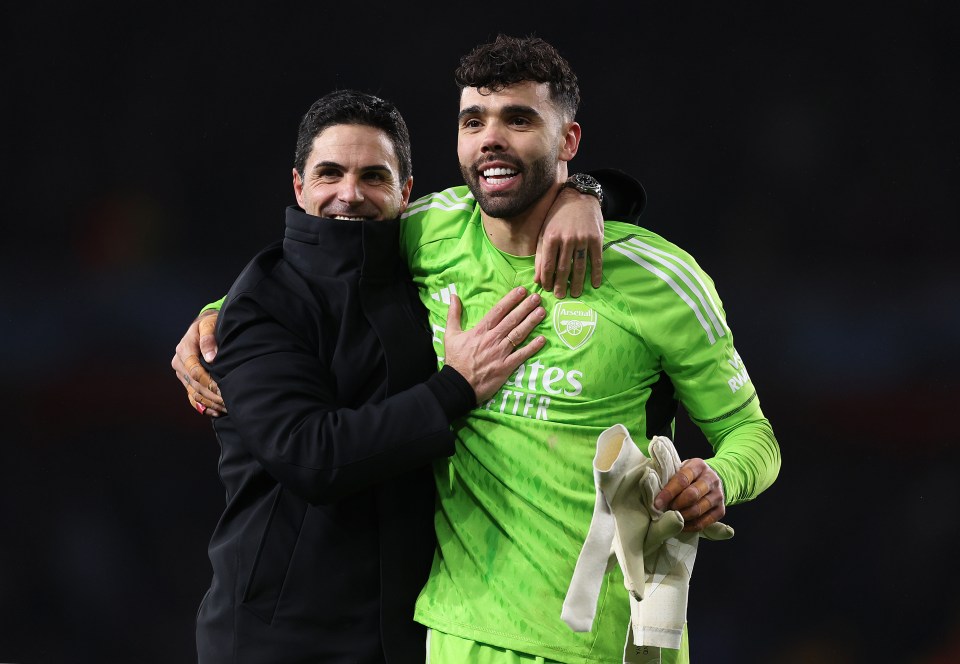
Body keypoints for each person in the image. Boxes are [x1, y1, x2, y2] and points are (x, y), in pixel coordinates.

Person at [177, 35, 780, 664]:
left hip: (615, 639)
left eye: (518, 120)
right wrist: (217, 315)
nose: (491, 138)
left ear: (568, 142)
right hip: (460, 636)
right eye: (474, 121)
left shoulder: (660, 279)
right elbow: (322, 254)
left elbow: (752, 435)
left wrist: (720, 476)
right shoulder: (429, 234)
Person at [191, 89, 557, 664]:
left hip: (408, 633)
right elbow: (312, 455)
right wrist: (454, 388)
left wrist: (589, 195)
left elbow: (522, 197)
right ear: (298, 187)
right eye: (329, 173)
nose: (350, 194)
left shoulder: (424, 270)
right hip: (280, 640)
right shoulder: (262, 304)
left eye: (373, 176)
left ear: (406, 194)